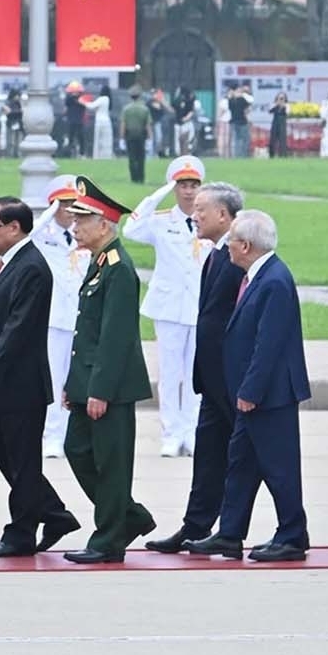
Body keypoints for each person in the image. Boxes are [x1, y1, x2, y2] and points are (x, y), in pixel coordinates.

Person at [184, 210, 310, 562]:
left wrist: (250, 392)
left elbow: (269, 345)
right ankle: (229, 533)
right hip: (250, 395)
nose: (229, 250)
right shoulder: (258, 276)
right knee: (240, 464)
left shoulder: (273, 281)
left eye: (232, 243)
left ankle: (292, 536)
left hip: (269, 396)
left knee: (279, 468)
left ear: (245, 245)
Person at [0, 196, 77, 557]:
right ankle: (54, 514)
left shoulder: (30, 267)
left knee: (22, 460)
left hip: (19, 385)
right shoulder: (10, 263)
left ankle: (21, 532)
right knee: (8, 457)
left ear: (14, 228)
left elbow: (17, 330)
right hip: (7, 385)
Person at [56, 178, 156, 563]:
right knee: (77, 449)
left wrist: (99, 390)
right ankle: (128, 517)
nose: (75, 226)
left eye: (82, 220)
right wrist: (73, 383)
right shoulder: (99, 263)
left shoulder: (118, 268)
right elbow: (87, 331)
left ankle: (108, 540)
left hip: (109, 387)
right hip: (89, 382)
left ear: (105, 224)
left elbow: (116, 338)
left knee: (111, 465)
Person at [145, 182, 245, 553]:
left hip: (232, 380)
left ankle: (277, 530)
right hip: (212, 378)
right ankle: (195, 527)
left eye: (202, 209)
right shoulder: (216, 254)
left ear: (223, 215)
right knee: (208, 457)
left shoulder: (239, 256)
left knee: (256, 461)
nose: (194, 214)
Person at [123, 157, 209, 458]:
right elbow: (130, 230)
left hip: (201, 306)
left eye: (194, 185)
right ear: (174, 187)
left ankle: (193, 431)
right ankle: (171, 433)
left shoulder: (208, 220)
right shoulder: (160, 220)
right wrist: (157, 194)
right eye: (183, 185)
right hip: (169, 306)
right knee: (171, 373)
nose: (188, 192)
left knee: (198, 374)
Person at [32, 176, 90, 460]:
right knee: (53, 379)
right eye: (63, 203)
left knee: (76, 378)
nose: (69, 210)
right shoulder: (43, 235)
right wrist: (49, 213)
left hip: (80, 316)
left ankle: (70, 433)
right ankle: (52, 435)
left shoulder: (84, 234)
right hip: (53, 317)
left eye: (73, 204)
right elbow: (26, 237)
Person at [121, 89, 152, 181]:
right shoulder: (144, 109)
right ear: (139, 96)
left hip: (130, 135)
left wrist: (122, 138)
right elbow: (148, 125)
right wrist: (150, 138)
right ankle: (141, 177)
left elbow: (123, 124)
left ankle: (133, 178)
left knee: (132, 157)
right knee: (141, 157)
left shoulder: (126, 109)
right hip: (141, 135)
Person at [226, 87, 251, 159]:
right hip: (242, 121)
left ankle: (236, 155)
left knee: (236, 140)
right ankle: (243, 155)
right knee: (244, 139)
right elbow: (247, 109)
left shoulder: (231, 100)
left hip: (234, 121)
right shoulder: (242, 99)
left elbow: (230, 108)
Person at [90, 85, 115, 160]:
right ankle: (107, 156)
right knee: (107, 140)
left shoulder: (102, 99)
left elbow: (91, 106)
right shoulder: (108, 99)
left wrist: (83, 101)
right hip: (107, 121)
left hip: (99, 121)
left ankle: (97, 156)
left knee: (98, 139)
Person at [267, 93, 289, 159]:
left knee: (282, 140)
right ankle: (271, 155)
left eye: (282, 98)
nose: (281, 99)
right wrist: (277, 104)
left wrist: (283, 105)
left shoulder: (287, 105)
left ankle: (283, 155)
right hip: (275, 124)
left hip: (282, 124)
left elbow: (288, 112)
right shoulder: (274, 104)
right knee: (272, 140)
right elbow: (269, 111)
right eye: (279, 98)